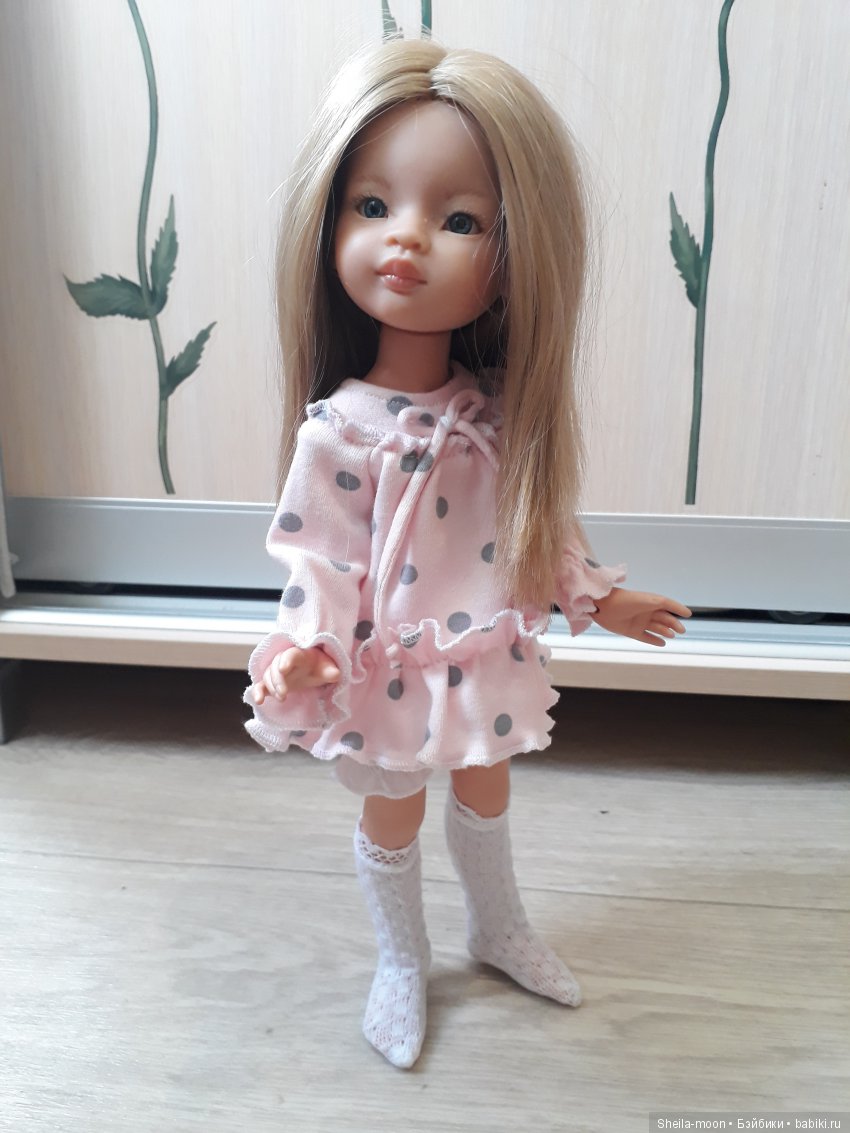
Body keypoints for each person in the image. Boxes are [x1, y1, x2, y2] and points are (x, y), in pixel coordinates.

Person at [244, 39, 691, 1069]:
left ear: (514, 258)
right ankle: (401, 958)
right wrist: (304, 647)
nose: (405, 238)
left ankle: (497, 926)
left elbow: (535, 523)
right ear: (328, 222)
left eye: (459, 221)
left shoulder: (492, 417)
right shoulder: (339, 432)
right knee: (393, 805)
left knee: (487, 788)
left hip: (481, 649)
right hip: (385, 660)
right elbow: (320, 558)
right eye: (372, 205)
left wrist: (597, 597)